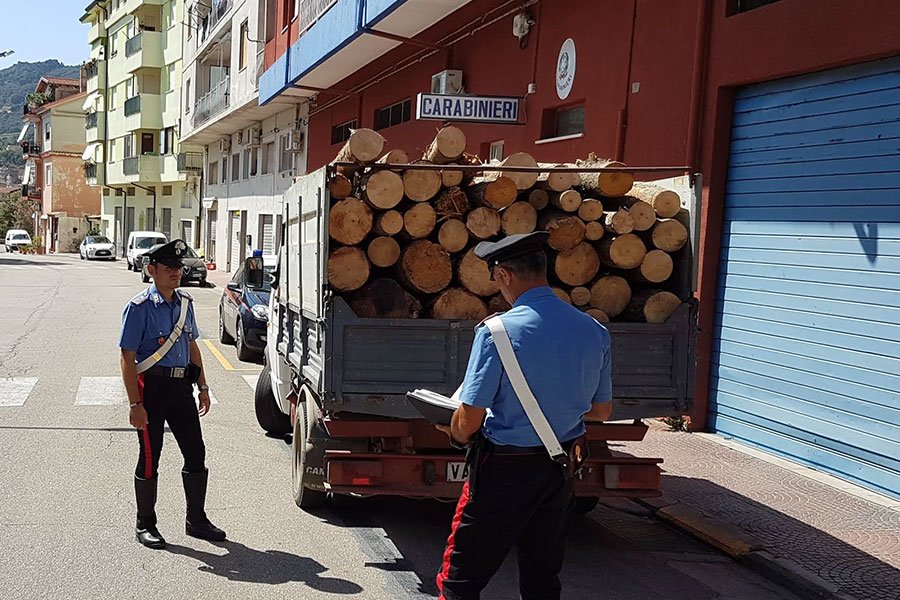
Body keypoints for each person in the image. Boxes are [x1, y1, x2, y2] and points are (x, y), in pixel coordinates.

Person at [435, 231, 613, 600]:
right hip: (559, 468)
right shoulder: (594, 330)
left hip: (504, 471)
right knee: (542, 577)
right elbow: (601, 410)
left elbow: (469, 419)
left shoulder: (495, 332)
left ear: (503, 275)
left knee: (460, 578)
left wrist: (453, 431)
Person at [119, 238, 226, 549]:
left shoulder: (185, 304)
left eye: (179, 268)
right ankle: (145, 523)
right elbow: (127, 357)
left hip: (181, 389)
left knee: (196, 452)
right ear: (152, 270)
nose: (176, 273)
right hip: (151, 390)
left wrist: (203, 386)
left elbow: (192, 345)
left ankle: (196, 519)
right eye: (169, 268)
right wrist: (134, 404)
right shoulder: (138, 308)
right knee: (151, 458)